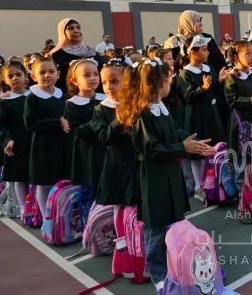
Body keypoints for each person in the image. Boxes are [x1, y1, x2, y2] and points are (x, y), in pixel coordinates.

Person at [125, 61, 215, 290]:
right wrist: (182, 148)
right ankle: (158, 276)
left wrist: (195, 144)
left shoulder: (160, 107)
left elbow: (175, 132)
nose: (171, 82)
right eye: (168, 79)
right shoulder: (143, 114)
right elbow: (149, 150)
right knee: (156, 229)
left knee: (174, 222)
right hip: (154, 180)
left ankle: (177, 267)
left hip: (169, 175)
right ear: (157, 83)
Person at [178, 34, 226, 200]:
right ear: (193, 52)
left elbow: (215, 91)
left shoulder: (209, 68)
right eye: (204, 50)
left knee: (211, 147)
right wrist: (202, 89)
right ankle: (199, 185)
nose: (208, 52)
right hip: (196, 116)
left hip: (211, 113)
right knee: (198, 151)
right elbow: (187, 97)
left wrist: (219, 81)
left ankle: (211, 181)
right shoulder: (186, 73)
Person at [90, 59, 137, 215]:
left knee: (137, 204)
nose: (108, 86)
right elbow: (104, 137)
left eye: (114, 81)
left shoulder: (135, 103)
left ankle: (135, 230)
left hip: (138, 161)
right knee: (119, 204)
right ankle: (121, 231)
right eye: (104, 82)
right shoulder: (101, 109)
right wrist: (118, 121)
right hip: (117, 164)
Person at [23, 55, 69, 216]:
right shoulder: (32, 98)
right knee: (43, 184)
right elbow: (30, 124)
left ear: (58, 74)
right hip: (42, 148)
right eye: (42, 72)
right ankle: (46, 218)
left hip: (62, 146)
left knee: (62, 183)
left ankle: (60, 217)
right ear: (33, 76)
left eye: (51, 71)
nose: (47, 75)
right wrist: (57, 123)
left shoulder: (63, 96)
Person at [176, 10, 229, 131]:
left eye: (200, 20)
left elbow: (219, 59)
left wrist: (219, 78)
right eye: (196, 21)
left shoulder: (207, 37)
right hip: (197, 102)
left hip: (214, 88)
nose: (200, 23)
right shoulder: (182, 43)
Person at [0, 60, 31, 210]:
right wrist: (7, 140)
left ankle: (36, 208)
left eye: (18, 74)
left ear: (25, 76)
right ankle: (23, 208)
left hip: (35, 143)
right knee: (20, 178)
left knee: (36, 177)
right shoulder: (4, 101)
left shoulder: (34, 96)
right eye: (10, 76)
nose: (15, 78)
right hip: (16, 144)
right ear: (5, 79)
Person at [64, 58, 105, 189]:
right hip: (87, 151)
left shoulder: (104, 98)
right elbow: (78, 130)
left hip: (105, 148)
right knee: (91, 185)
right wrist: (97, 121)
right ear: (75, 81)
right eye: (87, 75)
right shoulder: (73, 103)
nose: (93, 78)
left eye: (96, 74)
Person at [224, 40, 252, 166]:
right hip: (240, 123)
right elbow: (231, 100)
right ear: (236, 57)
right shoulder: (232, 77)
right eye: (247, 54)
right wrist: (249, 100)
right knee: (241, 161)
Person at [48, 18, 97, 92]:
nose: (76, 30)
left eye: (78, 27)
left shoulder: (91, 52)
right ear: (63, 32)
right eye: (71, 28)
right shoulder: (55, 55)